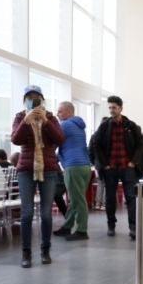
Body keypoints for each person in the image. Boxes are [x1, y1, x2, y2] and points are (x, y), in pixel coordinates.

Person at [11, 84, 65, 268]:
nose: (32, 100)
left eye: (36, 97)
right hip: (26, 168)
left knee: (46, 213)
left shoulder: (50, 117)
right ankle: (26, 253)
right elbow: (16, 140)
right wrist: (26, 121)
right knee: (26, 213)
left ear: (43, 100)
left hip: (49, 168)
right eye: (29, 97)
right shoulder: (20, 117)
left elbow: (60, 139)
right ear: (24, 101)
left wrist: (46, 120)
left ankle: (45, 249)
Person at [91, 95, 143, 239]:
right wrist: (104, 164)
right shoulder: (104, 126)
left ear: (121, 108)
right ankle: (111, 226)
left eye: (114, 107)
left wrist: (133, 162)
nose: (111, 110)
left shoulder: (131, 126)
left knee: (130, 198)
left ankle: (133, 228)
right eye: (110, 107)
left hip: (127, 167)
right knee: (109, 198)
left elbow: (141, 145)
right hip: (111, 168)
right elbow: (96, 145)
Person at [53, 101, 91, 241]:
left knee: (78, 200)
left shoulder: (63, 125)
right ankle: (66, 226)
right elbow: (69, 146)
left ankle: (82, 230)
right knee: (75, 199)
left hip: (73, 166)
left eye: (60, 111)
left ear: (69, 112)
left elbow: (54, 145)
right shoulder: (78, 126)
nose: (57, 114)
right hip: (84, 166)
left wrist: (47, 158)